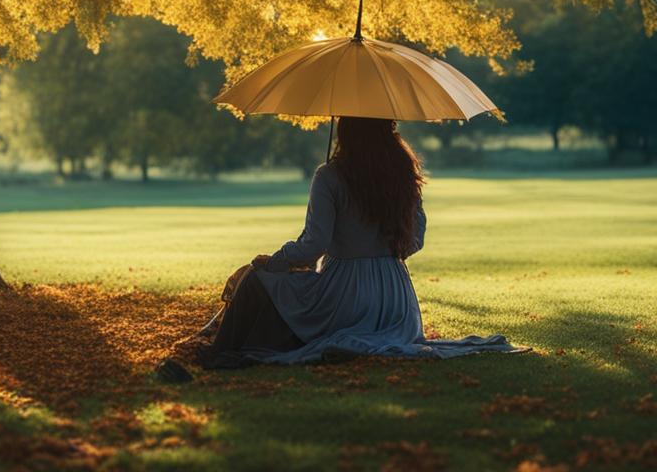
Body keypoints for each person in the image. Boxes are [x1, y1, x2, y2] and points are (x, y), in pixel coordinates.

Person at [155, 116, 522, 383]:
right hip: (397, 300)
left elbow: (314, 244)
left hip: (343, 290)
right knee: (278, 283)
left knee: (256, 278)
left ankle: (224, 350)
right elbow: (414, 242)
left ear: (343, 129)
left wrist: (276, 261)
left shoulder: (329, 175)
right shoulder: (403, 174)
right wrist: (380, 254)